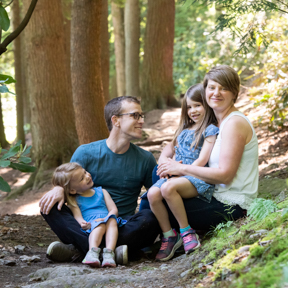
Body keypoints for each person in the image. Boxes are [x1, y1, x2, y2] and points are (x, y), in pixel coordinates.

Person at [141, 65, 258, 252]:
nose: (216, 93)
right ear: (205, 91)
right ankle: (165, 236)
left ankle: (164, 239)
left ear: (234, 92)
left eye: (224, 88)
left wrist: (181, 169)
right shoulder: (216, 121)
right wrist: (167, 162)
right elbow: (175, 145)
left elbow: (225, 176)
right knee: (158, 179)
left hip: (231, 203)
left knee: (150, 202)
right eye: (212, 87)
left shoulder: (234, 123)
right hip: (213, 193)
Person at [39, 96, 160, 264]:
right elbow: (67, 180)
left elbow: (158, 195)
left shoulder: (145, 159)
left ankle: (80, 250)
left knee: (150, 218)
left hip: (120, 226)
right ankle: (112, 251)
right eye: (135, 115)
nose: (142, 121)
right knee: (49, 206)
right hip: (86, 226)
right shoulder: (85, 152)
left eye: (142, 115)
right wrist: (59, 188)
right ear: (116, 120)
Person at [147, 84, 219, 261]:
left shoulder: (210, 129)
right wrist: (165, 163)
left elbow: (202, 160)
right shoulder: (183, 130)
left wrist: (181, 171)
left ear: (207, 105)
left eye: (197, 105)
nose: (193, 110)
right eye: (189, 107)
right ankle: (169, 235)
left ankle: (187, 231)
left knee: (168, 189)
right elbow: (166, 152)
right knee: (152, 193)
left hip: (196, 176)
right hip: (176, 174)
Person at [52, 163, 120, 268]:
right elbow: (78, 216)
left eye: (85, 172)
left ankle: (109, 253)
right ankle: (92, 252)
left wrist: (107, 217)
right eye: (82, 178)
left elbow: (113, 210)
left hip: (108, 221)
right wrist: (82, 223)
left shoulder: (102, 192)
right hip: (92, 225)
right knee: (100, 224)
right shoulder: (74, 200)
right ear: (72, 190)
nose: (88, 176)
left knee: (112, 220)